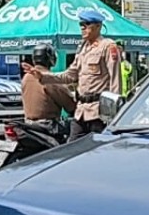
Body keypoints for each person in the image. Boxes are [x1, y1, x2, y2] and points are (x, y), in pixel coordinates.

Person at [22, 9, 120, 140]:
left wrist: (114, 112)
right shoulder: (83, 49)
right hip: (81, 112)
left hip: (98, 112)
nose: (82, 28)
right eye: (81, 25)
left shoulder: (107, 47)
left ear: (98, 26)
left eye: (86, 24)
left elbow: (115, 81)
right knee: (72, 148)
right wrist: (43, 76)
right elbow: (69, 76)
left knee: (98, 150)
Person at [21, 43, 75, 130]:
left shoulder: (26, 77)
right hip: (48, 126)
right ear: (51, 59)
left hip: (28, 124)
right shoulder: (51, 79)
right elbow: (70, 105)